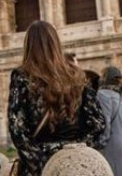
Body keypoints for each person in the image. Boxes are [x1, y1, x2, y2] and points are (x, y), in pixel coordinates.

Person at [8, 20, 105, 176]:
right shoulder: (76, 75)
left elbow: (17, 129)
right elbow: (98, 124)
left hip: (40, 165)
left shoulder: (22, 76)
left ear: (29, 46)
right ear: (55, 43)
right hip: (76, 166)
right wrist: (78, 150)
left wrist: (40, 162)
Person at [96, 66, 122, 176]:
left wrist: (99, 144)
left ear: (105, 77)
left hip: (112, 144)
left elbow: (106, 123)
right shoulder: (120, 96)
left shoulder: (102, 94)